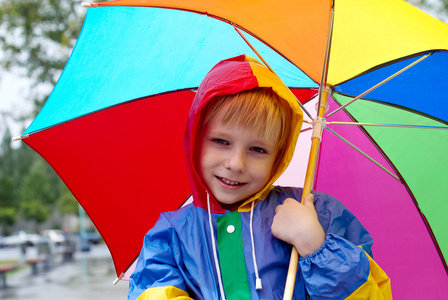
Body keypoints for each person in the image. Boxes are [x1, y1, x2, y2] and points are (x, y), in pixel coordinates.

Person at [128, 55, 392, 299]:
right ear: (196, 140)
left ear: (278, 156)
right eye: (221, 141)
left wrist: (316, 247)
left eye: (258, 149)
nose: (236, 163)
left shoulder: (319, 214)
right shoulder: (170, 237)